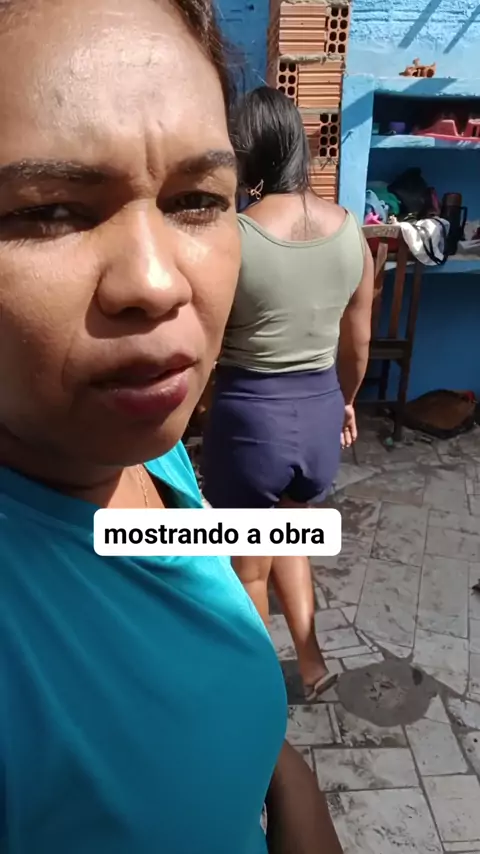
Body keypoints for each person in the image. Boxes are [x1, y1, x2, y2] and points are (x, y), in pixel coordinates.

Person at [0, 3, 343, 852]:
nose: (157, 283)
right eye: (50, 210)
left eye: (195, 200)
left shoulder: (140, 452)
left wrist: (277, 768)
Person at [202, 86, 374, 701]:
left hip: (252, 423)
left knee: (249, 566)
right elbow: (358, 344)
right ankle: (311, 663)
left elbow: (204, 339)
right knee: (288, 538)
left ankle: (256, 692)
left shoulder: (234, 236)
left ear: (245, 153)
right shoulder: (351, 233)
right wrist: (347, 401)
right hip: (321, 413)